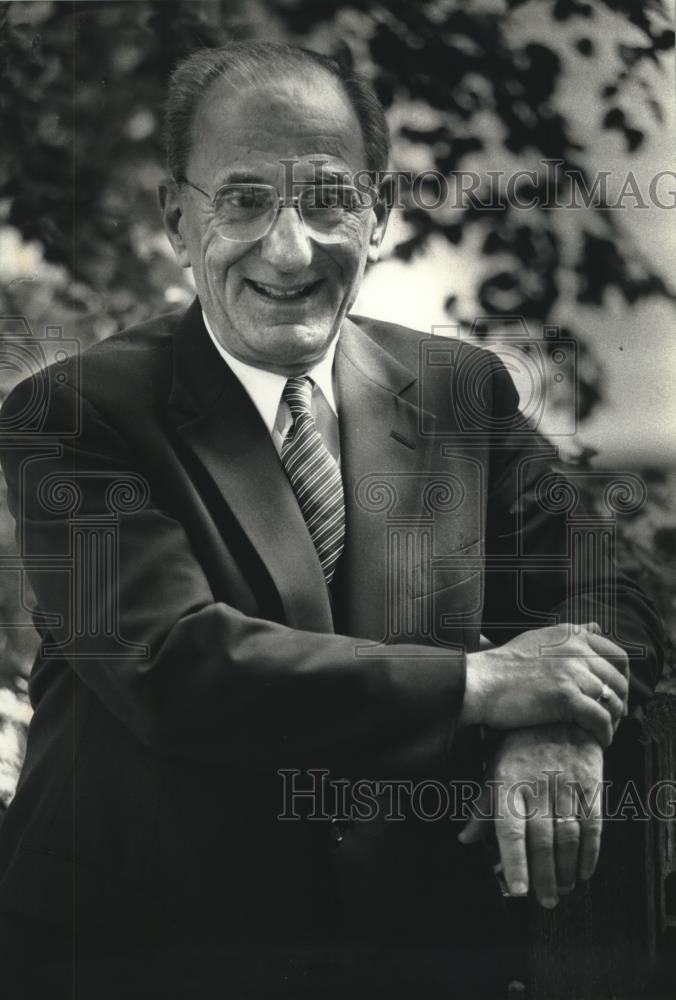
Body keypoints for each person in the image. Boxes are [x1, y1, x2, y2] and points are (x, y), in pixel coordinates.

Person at [0, 41, 663, 1000]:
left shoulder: (458, 391)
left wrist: (562, 723)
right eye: (242, 200)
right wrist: (484, 684)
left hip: (406, 952)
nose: (288, 247)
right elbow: (172, 666)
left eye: (325, 199)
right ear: (179, 222)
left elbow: (612, 590)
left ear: (380, 213)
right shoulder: (70, 416)